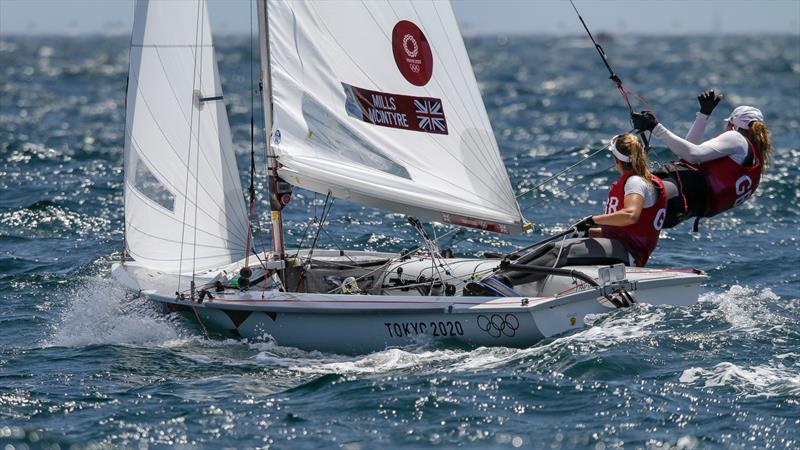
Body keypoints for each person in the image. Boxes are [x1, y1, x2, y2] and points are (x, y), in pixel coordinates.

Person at [473, 134, 667, 295]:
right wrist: (589, 231)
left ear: (616, 159)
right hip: (619, 246)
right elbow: (624, 229)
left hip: (628, 254)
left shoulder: (635, 181)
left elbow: (630, 215)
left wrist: (592, 220)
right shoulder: (637, 180)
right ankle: (510, 267)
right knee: (553, 246)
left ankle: (502, 282)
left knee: (560, 252)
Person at [631, 90, 772, 229]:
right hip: (689, 208)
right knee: (636, 224)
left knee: (630, 200)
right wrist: (704, 114)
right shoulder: (754, 160)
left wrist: (654, 127)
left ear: (733, 124)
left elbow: (693, 154)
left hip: (685, 189)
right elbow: (687, 155)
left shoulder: (736, 138)